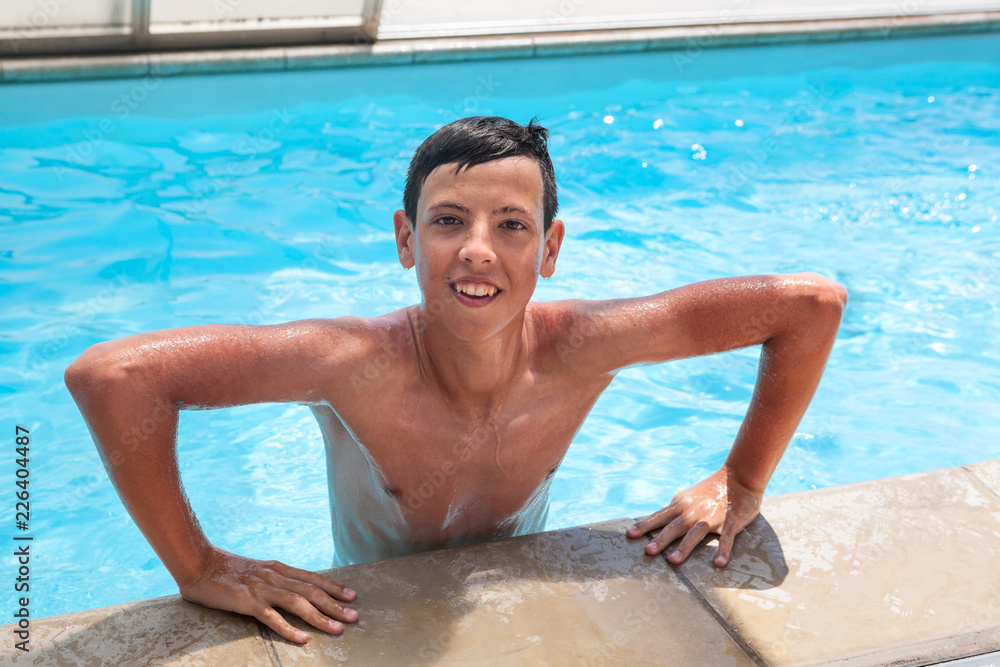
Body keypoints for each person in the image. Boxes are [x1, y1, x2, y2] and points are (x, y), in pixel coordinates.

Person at [65, 116, 847, 645]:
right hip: (364, 618)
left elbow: (811, 306)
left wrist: (742, 478)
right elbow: (113, 377)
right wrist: (198, 565)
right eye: (448, 220)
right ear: (406, 239)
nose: (478, 248)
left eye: (511, 224)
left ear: (550, 248)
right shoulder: (349, 363)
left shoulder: (584, 347)